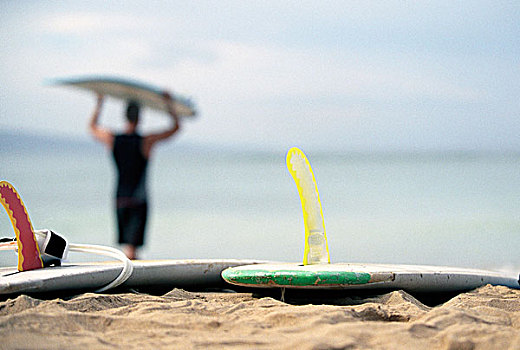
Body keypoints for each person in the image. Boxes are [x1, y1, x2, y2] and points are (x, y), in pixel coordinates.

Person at [89, 92, 181, 259]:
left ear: (125, 116)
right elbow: (174, 129)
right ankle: (130, 280)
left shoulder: (112, 139)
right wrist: (169, 105)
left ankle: (130, 279)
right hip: (139, 199)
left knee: (129, 246)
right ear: (140, 118)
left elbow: (92, 128)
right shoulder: (146, 141)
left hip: (120, 198)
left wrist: (99, 104)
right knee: (132, 249)